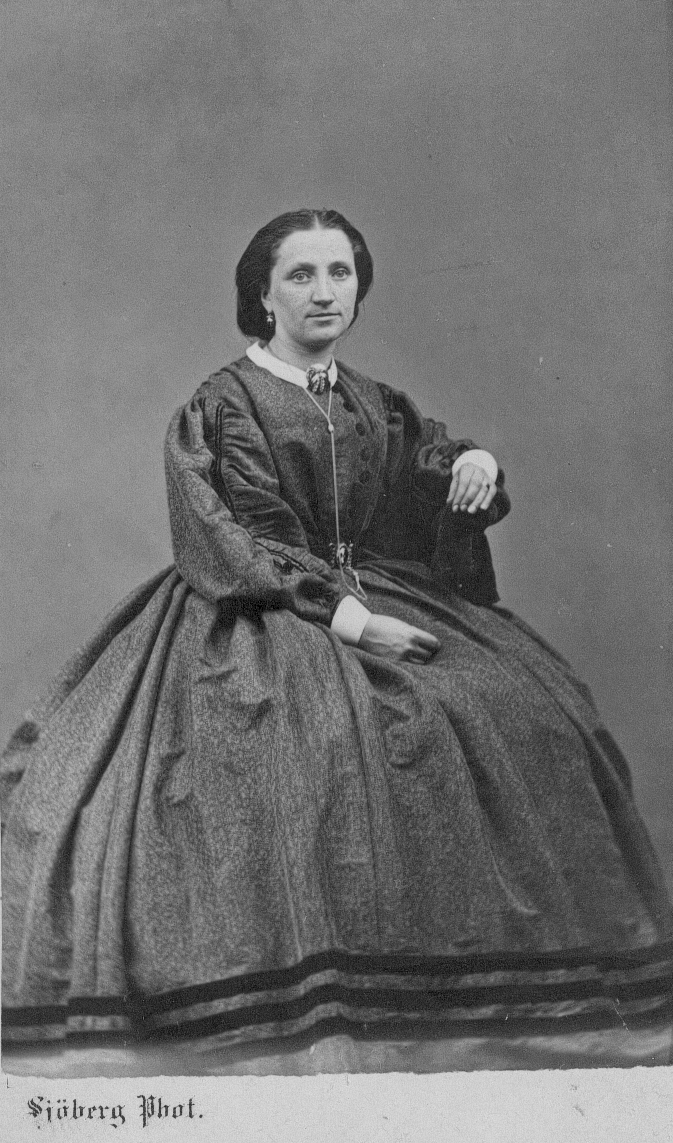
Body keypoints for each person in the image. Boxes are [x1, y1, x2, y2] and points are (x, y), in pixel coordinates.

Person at [2, 209, 672, 1070]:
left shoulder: (373, 401)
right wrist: (349, 618)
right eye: (300, 275)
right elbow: (233, 537)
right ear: (262, 295)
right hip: (253, 607)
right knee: (303, 745)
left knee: (522, 712)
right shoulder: (219, 405)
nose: (324, 292)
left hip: (382, 587)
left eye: (340, 273)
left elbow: (420, 467)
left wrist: (470, 466)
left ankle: (461, 992)